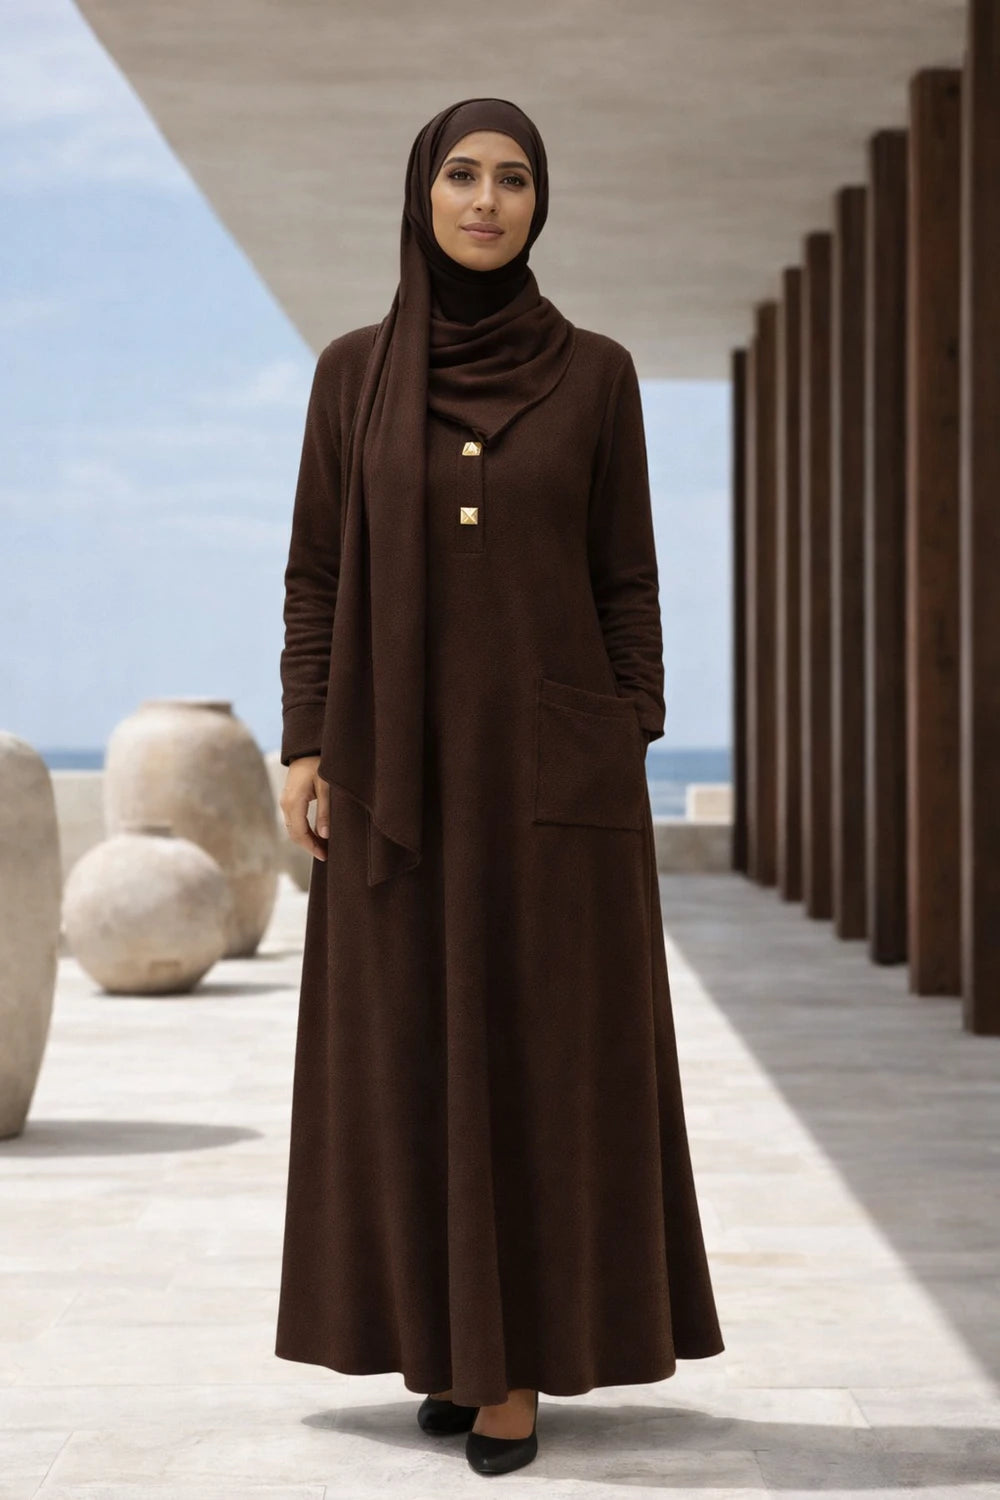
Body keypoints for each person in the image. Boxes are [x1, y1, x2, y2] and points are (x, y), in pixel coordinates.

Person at [274, 96, 724, 1478]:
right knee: (405, 1058)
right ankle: (444, 1342)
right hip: (396, 775)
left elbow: (625, 578)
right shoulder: (353, 374)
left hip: (552, 790)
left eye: (512, 178)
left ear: (541, 202)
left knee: (544, 1065)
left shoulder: (598, 374)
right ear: (422, 194)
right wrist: (308, 742)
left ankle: (517, 1366)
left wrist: (626, 723)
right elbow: (318, 574)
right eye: (462, 175)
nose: (486, 199)